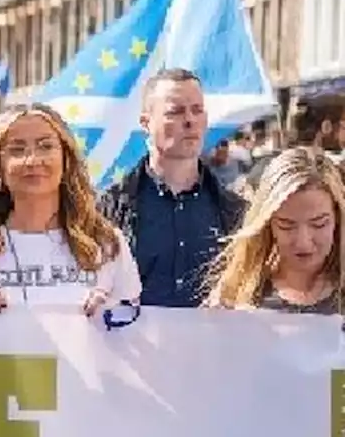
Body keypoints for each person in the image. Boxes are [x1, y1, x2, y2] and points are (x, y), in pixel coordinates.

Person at [0, 103, 140, 313]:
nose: (32, 160)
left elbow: (136, 330)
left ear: (66, 160)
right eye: (17, 149)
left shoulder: (107, 244)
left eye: (46, 146)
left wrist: (112, 313)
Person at [98, 68, 245, 308]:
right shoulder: (108, 209)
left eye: (197, 110)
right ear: (146, 123)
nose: (189, 121)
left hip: (214, 344)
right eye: (175, 112)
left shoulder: (236, 212)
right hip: (130, 343)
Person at [205, 147, 345, 315]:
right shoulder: (235, 293)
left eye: (319, 224)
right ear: (267, 224)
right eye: (286, 225)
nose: (303, 242)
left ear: (337, 218)